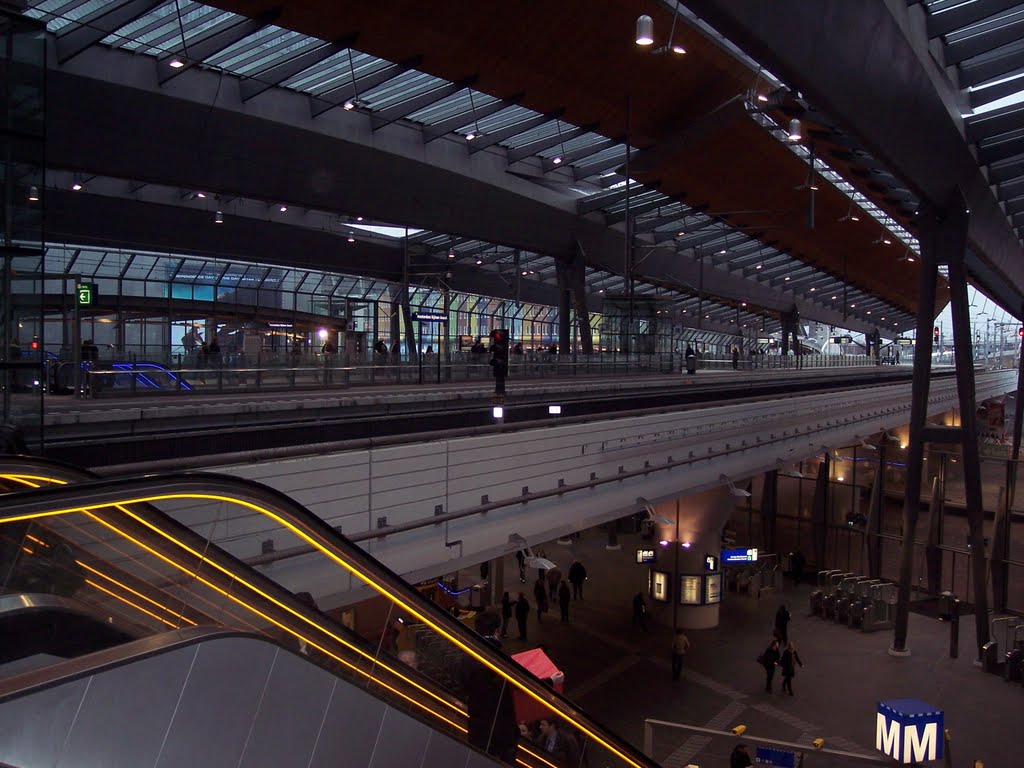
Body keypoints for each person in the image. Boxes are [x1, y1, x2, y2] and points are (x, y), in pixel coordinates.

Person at [460, 611, 519, 764]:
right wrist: (551, 682)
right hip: (502, 729)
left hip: (477, 727)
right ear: (496, 631)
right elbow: (518, 685)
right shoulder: (502, 658)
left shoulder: (467, 658)